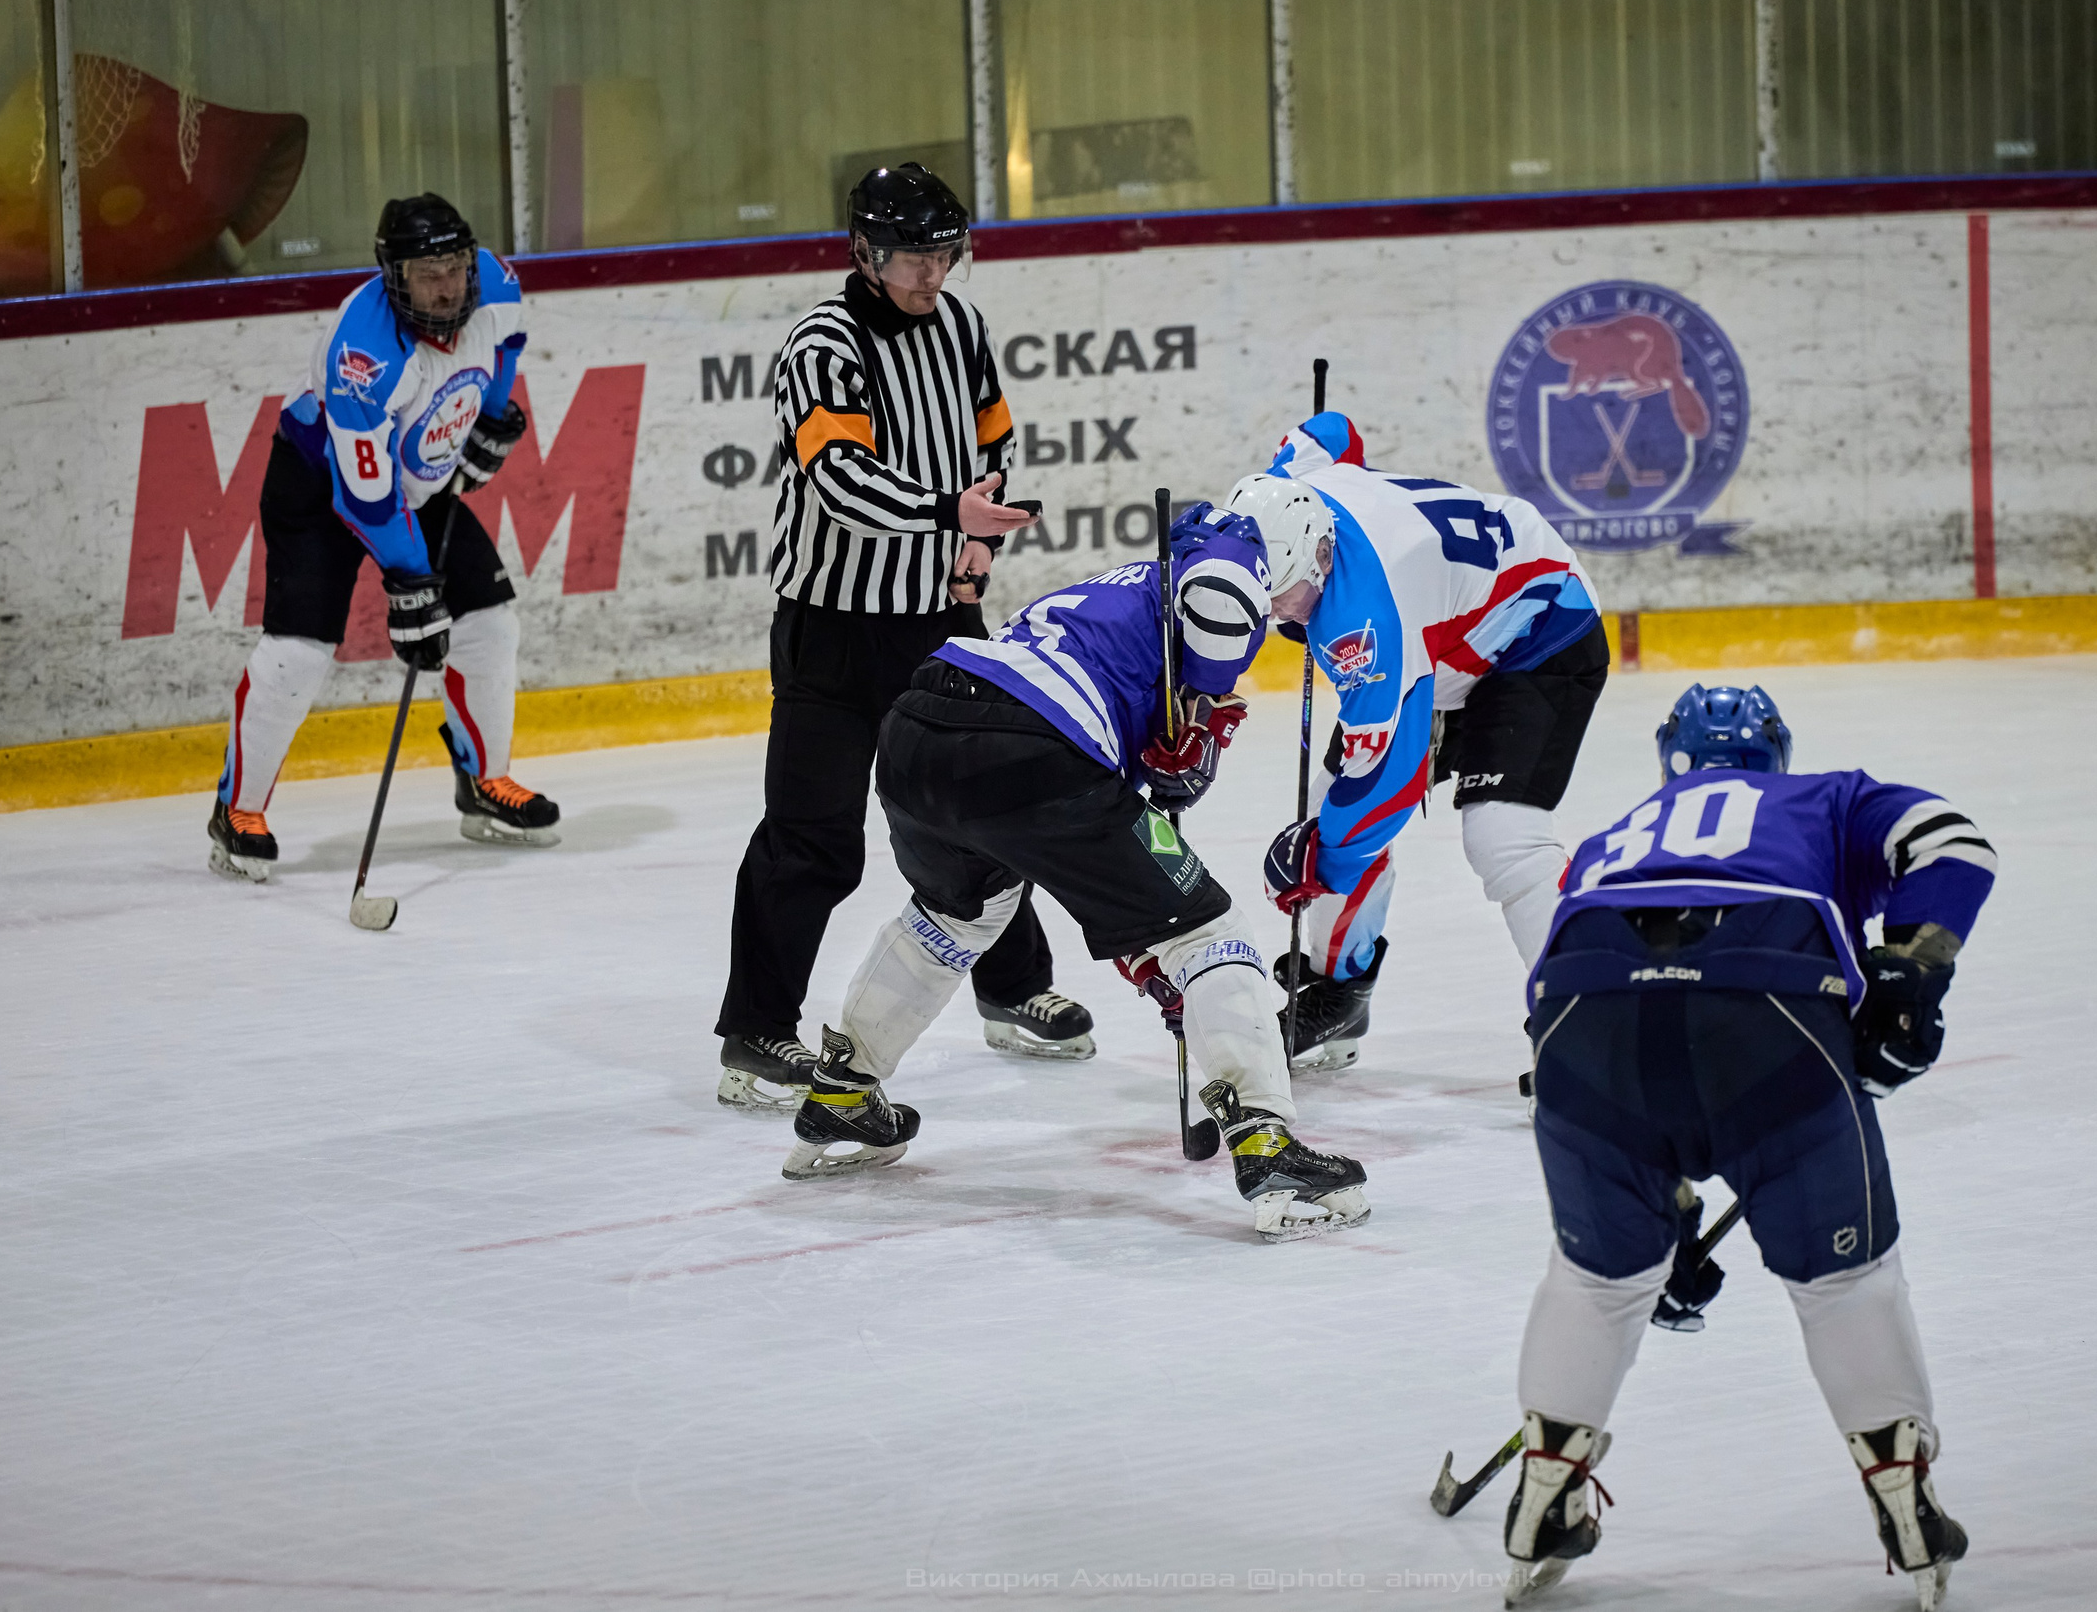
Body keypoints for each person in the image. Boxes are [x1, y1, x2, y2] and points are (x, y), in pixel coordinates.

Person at [1497, 684, 1997, 1609]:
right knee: (1845, 1279)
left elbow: (1579, 1001)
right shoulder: (1827, 796)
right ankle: (1903, 1493)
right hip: (1763, 997)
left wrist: (1662, 1211)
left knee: (1600, 1281)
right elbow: (1956, 844)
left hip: (1578, 1018)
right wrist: (1912, 966)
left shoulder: (1621, 832)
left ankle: (1546, 1492)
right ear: (1777, 754)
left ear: (1668, 761)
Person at [778, 499, 1371, 1243]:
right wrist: (1202, 698)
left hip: (923, 729)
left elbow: (1095, 835)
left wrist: (1178, 740)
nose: (1317, 580)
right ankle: (1266, 1142)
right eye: (1316, 559)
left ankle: (842, 1090)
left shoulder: (1127, 585)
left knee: (954, 916)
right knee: (1207, 929)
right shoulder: (1232, 559)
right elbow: (1218, 594)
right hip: (1030, 747)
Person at [713, 162, 1093, 1116]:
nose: (932, 272)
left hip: (939, 614)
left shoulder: (961, 326)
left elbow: (993, 437)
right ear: (865, 253)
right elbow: (837, 477)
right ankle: (757, 1030)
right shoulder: (822, 342)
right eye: (913, 256)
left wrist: (971, 546)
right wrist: (945, 512)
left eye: (943, 252)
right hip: (833, 626)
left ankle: (1010, 989)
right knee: (814, 836)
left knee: (987, 805)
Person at [1238, 412, 1606, 1072]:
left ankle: (1588, 1027)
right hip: (1441, 631)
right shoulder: (1290, 485)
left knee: (1502, 836)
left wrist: (1320, 865)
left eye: (1287, 596)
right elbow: (1332, 431)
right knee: (1329, 811)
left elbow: (1392, 784)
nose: (1278, 614)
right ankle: (1340, 989)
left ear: (1322, 557)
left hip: (1542, 626)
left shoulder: (1360, 626)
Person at [207, 193, 556, 882]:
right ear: (394, 277)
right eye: (429, 274)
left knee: (490, 624)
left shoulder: (498, 285)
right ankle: (238, 810)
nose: (448, 285)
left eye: (456, 267)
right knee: (298, 652)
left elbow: (506, 346)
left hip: (419, 481)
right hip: (320, 490)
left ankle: (484, 779)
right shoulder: (362, 356)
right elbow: (364, 500)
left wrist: (488, 421)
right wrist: (411, 583)